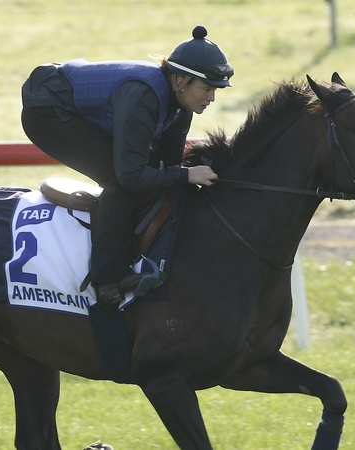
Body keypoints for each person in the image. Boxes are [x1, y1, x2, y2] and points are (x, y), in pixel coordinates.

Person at [21, 25, 233, 305]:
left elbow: (166, 164)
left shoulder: (182, 105)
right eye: (206, 89)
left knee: (154, 172)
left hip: (70, 104)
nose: (212, 98)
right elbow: (131, 175)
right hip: (48, 112)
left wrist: (184, 174)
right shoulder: (142, 96)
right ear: (180, 80)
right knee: (119, 181)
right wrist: (186, 175)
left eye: (215, 90)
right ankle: (107, 278)